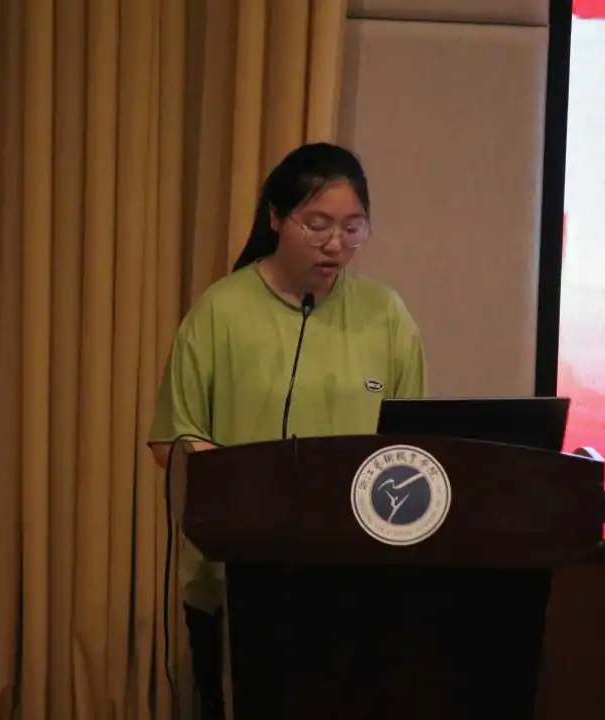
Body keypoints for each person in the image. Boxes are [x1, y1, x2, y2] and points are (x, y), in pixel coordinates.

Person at [147, 142, 428, 720]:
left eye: (352, 228)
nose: (335, 244)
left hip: (354, 581)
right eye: (317, 225)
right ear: (276, 218)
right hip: (236, 580)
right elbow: (170, 439)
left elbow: (413, 446)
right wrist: (222, 472)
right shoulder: (221, 311)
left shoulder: (386, 315)